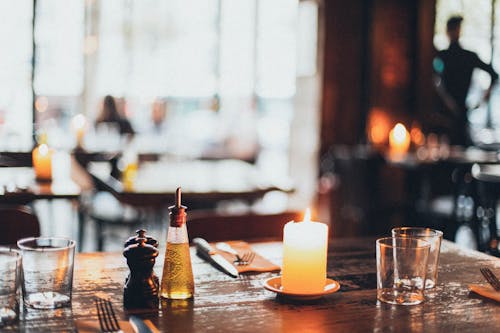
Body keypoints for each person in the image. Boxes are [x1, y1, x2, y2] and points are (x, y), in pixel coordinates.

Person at [433, 15, 498, 146]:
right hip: (445, 116)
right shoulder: (441, 57)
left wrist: (485, 96)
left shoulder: (467, 56)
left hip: (462, 113)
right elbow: (434, 80)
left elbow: (494, 74)